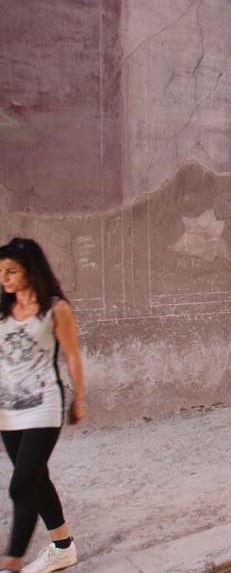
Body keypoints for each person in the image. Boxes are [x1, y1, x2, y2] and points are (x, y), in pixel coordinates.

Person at [0, 239, 84, 573]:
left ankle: (11, 564)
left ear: (30, 271)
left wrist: (79, 398)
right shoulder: (2, 309)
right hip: (7, 409)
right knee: (36, 477)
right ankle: (63, 546)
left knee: (21, 484)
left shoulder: (54, 309)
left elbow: (72, 355)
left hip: (43, 405)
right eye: (0, 272)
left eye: (11, 272)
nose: (4, 279)